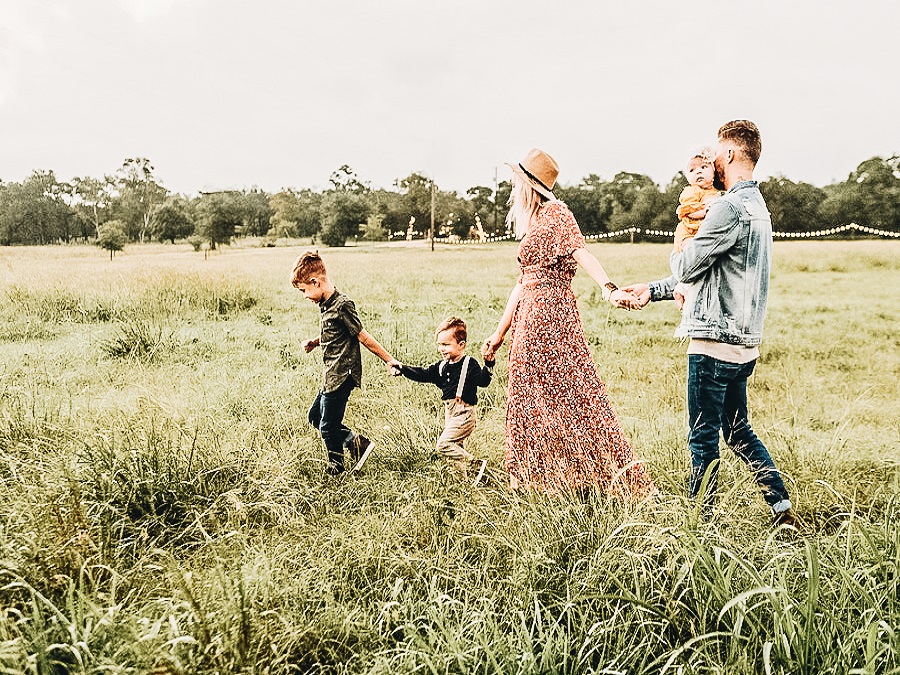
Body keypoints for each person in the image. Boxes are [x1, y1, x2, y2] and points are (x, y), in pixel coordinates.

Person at [624, 120, 795, 526]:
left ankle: (700, 528)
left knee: (702, 437)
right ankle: (781, 507)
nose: (712, 161)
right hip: (744, 344)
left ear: (731, 154)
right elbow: (712, 273)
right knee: (737, 431)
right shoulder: (758, 209)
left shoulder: (727, 208)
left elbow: (687, 264)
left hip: (713, 343)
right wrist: (653, 290)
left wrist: (679, 239)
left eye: (717, 153)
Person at [481, 148, 656, 497]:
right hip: (527, 318)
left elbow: (581, 252)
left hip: (553, 315)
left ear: (531, 184)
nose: (513, 188)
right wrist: (500, 333)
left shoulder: (557, 213)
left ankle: (604, 474)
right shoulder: (532, 223)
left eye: (518, 181)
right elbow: (522, 281)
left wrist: (608, 290)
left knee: (574, 395)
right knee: (527, 395)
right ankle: (538, 479)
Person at [291, 250, 400, 476]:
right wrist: (315, 341)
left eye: (304, 290)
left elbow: (362, 336)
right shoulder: (326, 305)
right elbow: (336, 333)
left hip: (343, 374)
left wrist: (389, 360)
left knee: (328, 426)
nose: (304, 296)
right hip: (331, 374)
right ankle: (356, 443)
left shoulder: (342, 305)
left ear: (315, 282)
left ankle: (337, 467)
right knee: (315, 417)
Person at [392, 316, 493, 484]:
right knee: (455, 450)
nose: (441, 348)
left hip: (465, 413)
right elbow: (422, 374)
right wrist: (402, 368)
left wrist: (489, 364)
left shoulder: (470, 364)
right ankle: (461, 485)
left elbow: (484, 381)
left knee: (444, 445)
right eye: (439, 344)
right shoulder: (441, 366)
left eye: (446, 344)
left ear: (461, 345)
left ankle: (475, 464)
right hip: (450, 413)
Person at [672, 146, 722, 309]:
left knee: (706, 261)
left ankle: (684, 288)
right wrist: (706, 211)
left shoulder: (717, 192)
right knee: (692, 255)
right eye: (692, 170)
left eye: (703, 167)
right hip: (689, 231)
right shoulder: (691, 191)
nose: (698, 172)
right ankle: (683, 288)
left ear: (714, 172)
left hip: (702, 232)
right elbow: (687, 211)